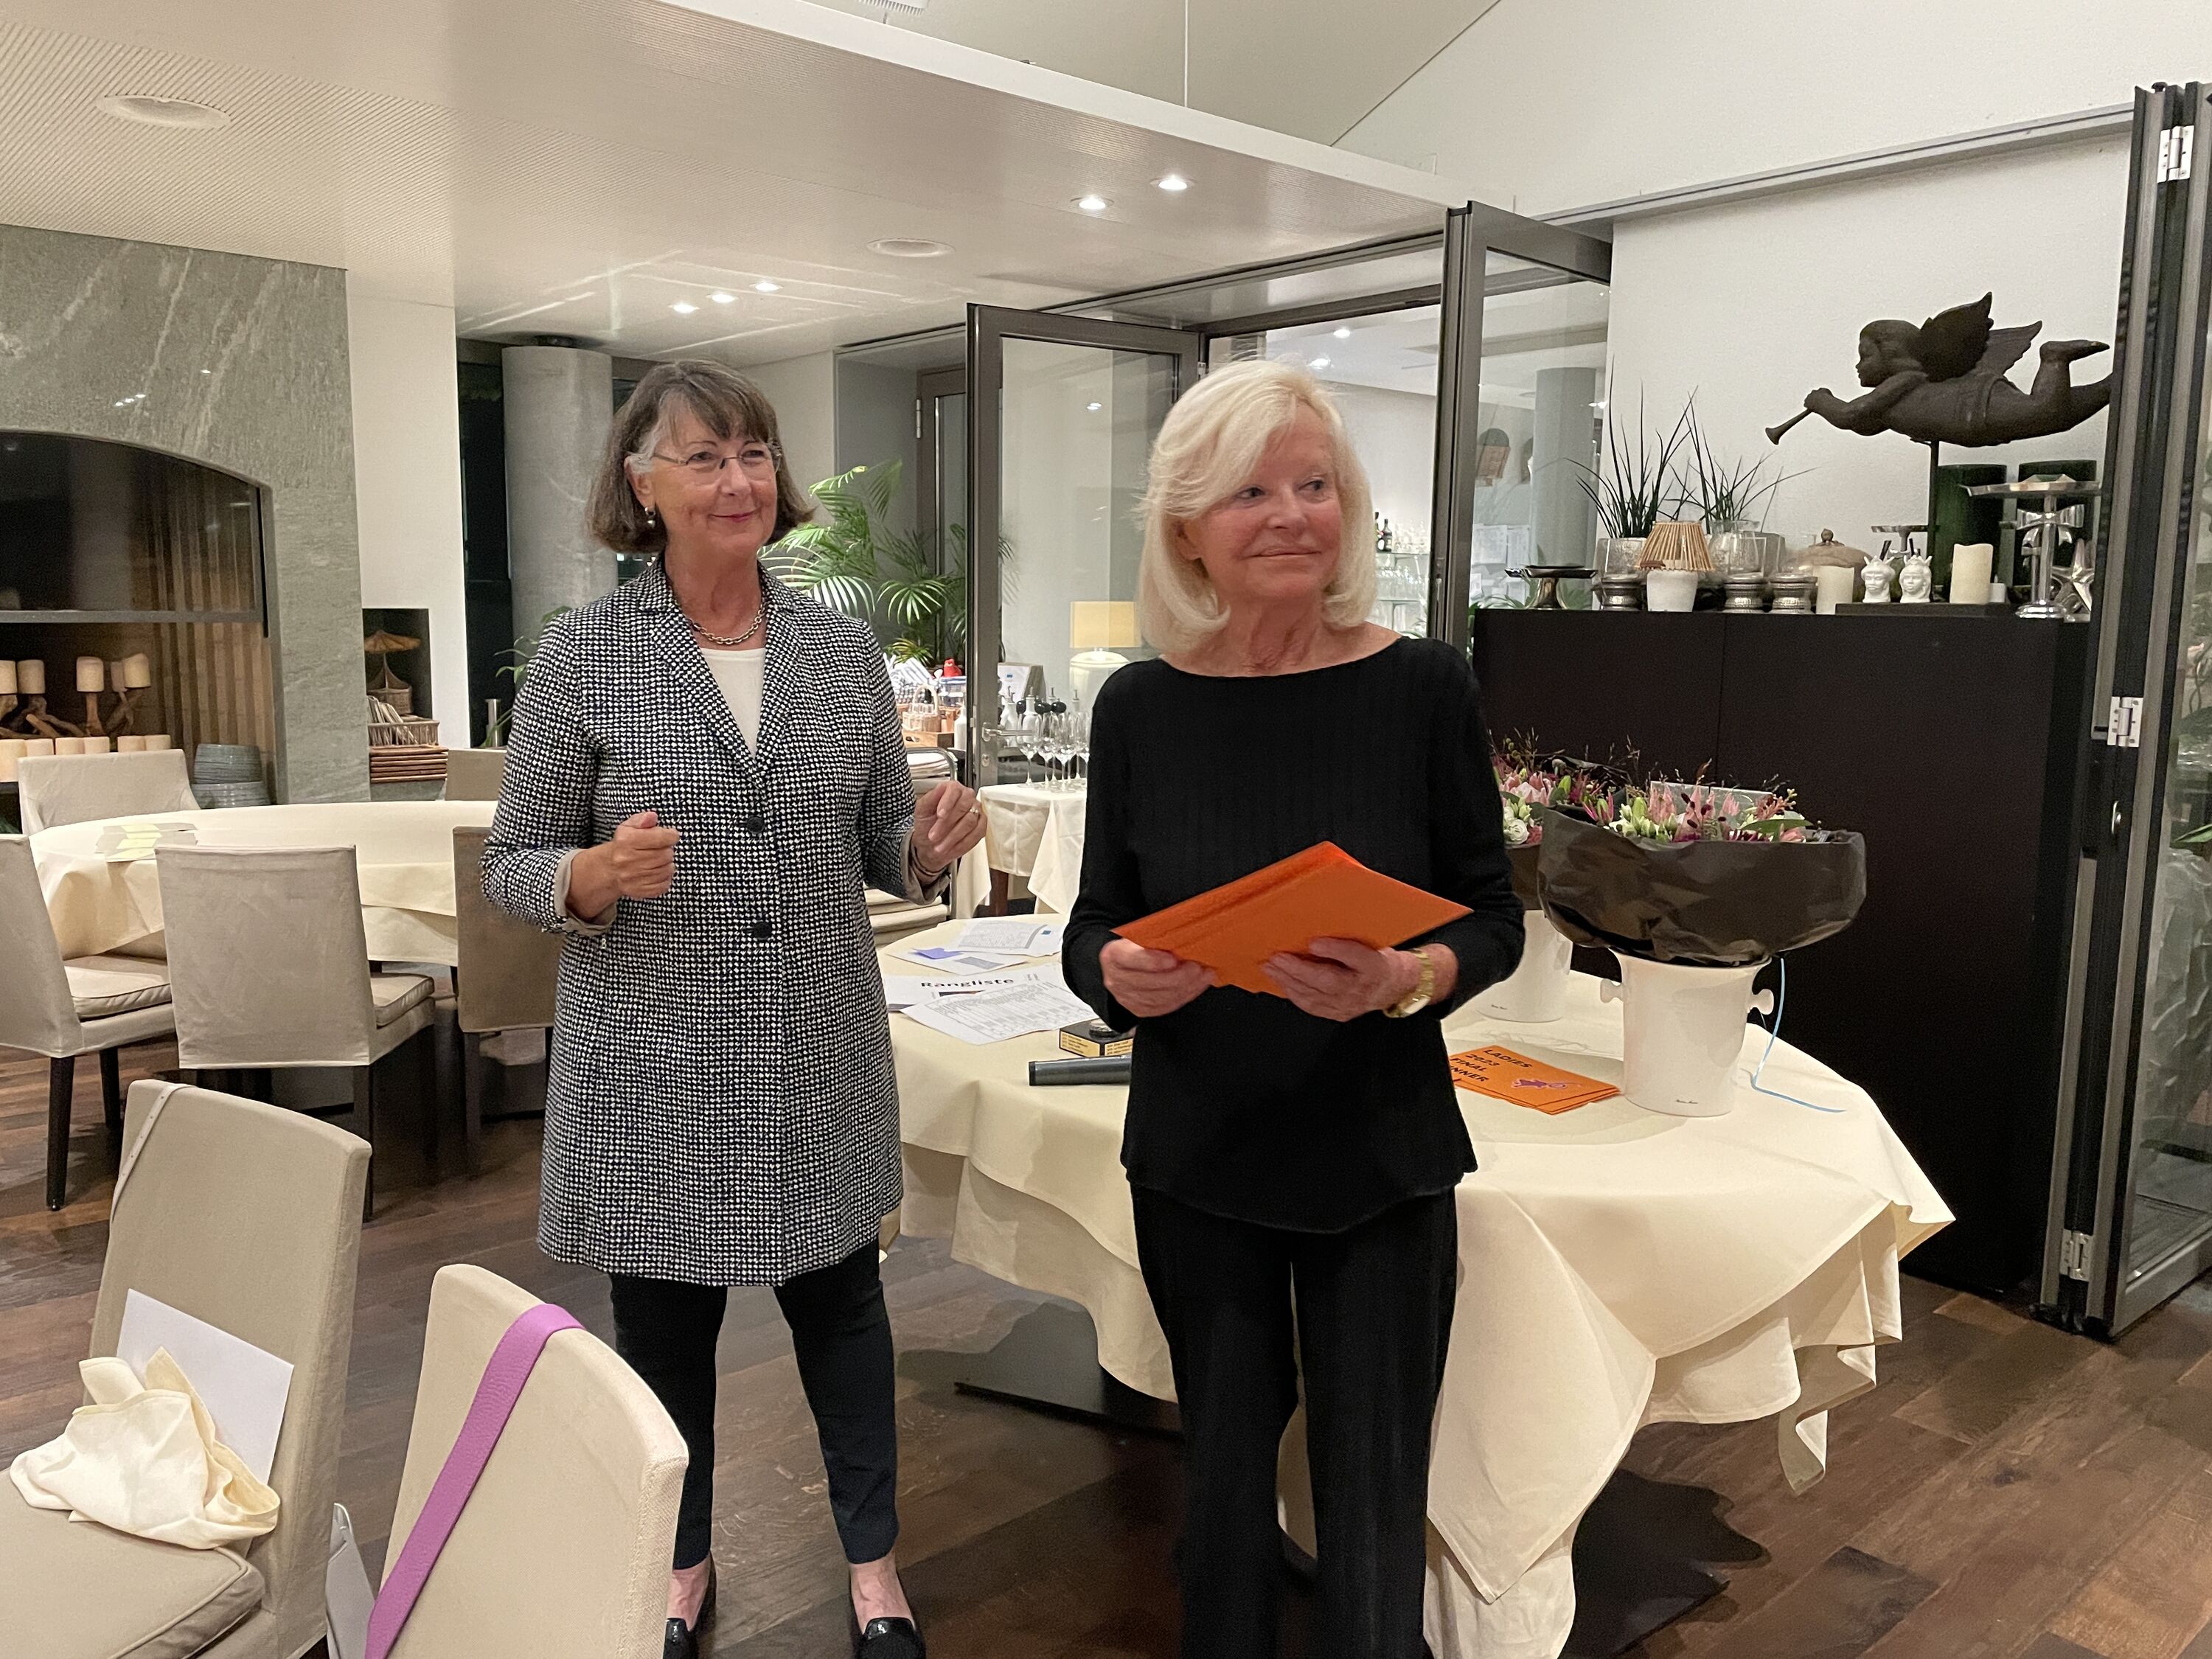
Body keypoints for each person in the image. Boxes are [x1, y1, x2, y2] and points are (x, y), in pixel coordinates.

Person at [484, 360, 984, 1659]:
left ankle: (874, 1570)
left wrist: (924, 844)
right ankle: (681, 1562)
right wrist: (591, 875)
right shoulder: (584, 653)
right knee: (666, 1334)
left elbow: (877, 837)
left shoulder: (839, 649)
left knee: (846, 1319)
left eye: (753, 452)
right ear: (642, 486)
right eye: (703, 456)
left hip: (817, 1047)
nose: (737, 479)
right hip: (654, 1058)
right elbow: (510, 861)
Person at [1061, 359, 1523, 1657]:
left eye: (1314, 485)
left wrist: (1409, 977)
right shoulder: (1141, 705)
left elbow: (1491, 915)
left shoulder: (1425, 686)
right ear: (1187, 530)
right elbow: (1092, 924)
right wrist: (1116, 973)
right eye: (1249, 492)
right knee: (1220, 1488)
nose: (1290, 516)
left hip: (1378, 1150)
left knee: (1374, 1495)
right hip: (1199, 1156)